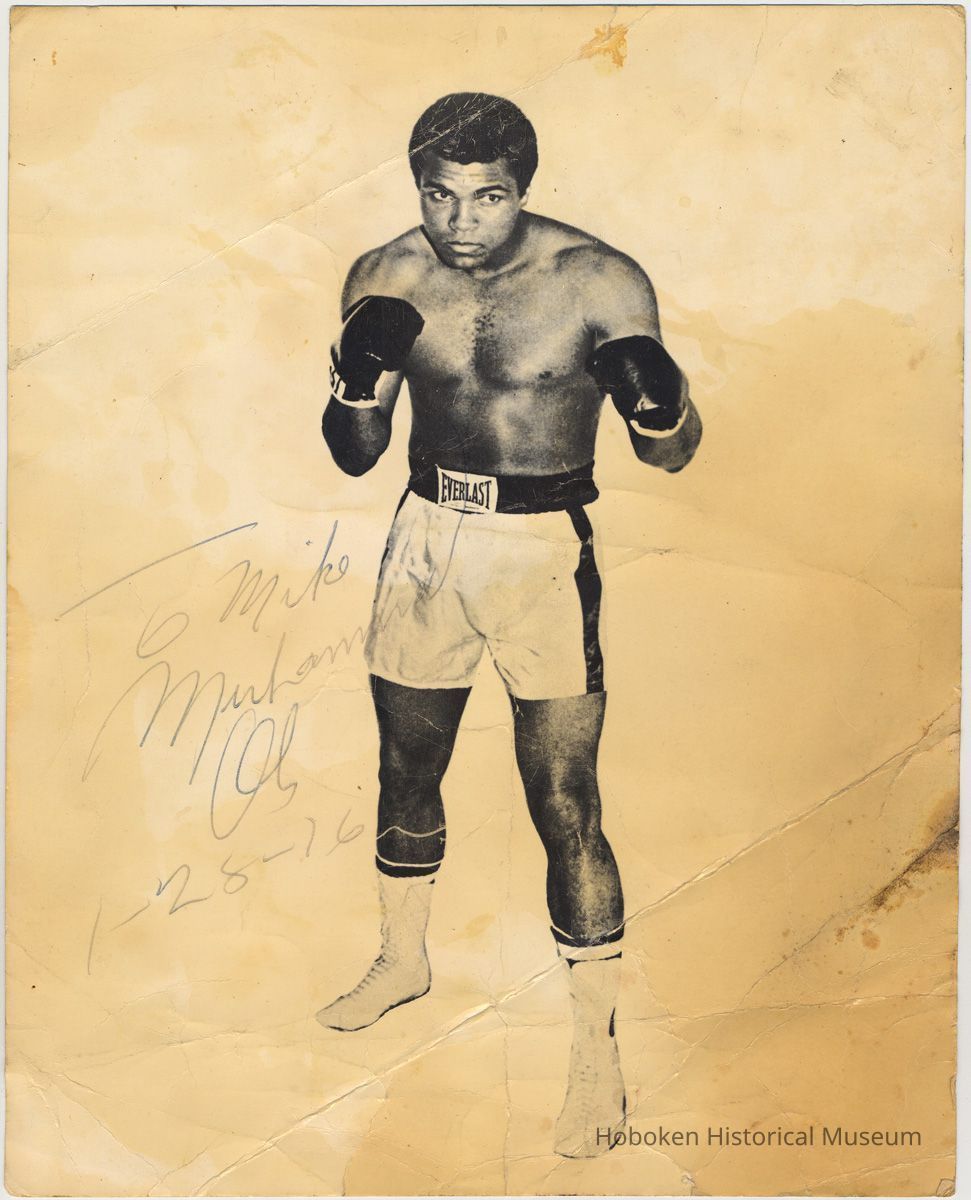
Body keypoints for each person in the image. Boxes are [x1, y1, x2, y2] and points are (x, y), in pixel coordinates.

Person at [316, 92, 702, 1159]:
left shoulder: (596, 279)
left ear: (521, 192)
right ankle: (404, 960)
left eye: (485, 199)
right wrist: (353, 380)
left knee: (564, 798)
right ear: (417, 191)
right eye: (439, 198)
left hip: (540, 550)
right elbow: (355, 452)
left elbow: (668, 451)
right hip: (427, 535)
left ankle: (594, 1053)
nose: (460, 222)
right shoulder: (385, 276)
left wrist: (661, 403)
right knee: (406, 766)